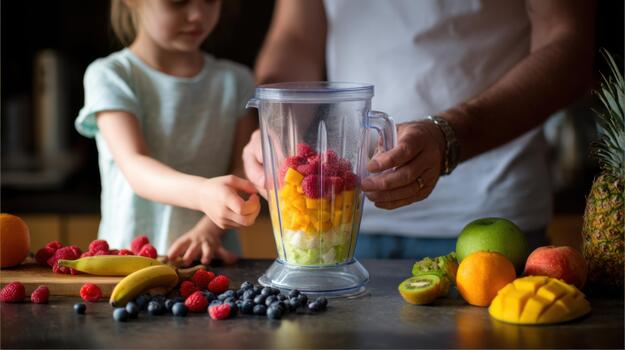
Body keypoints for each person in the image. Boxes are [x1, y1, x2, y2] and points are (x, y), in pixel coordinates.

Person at [243, 0, 595, 259]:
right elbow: (296, 37)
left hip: (487, 217)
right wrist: (276, 127)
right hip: (344, 221)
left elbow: (570, 44)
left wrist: (449, 135)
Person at [75, 0, 261, 266]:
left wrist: (208, 230)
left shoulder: (236, 81)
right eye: (178, 2)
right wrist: (202, 194)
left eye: (210, 0)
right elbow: (135, 165)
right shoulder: (111, 75)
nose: (197, 15)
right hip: (127, 266)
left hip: (213, 260)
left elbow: (245, 172)